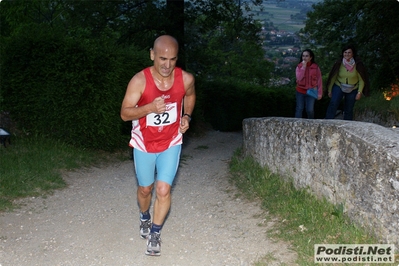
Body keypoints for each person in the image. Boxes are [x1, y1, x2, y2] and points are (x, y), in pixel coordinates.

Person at [120, 35, 196, 256]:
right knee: (146, 189)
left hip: (171, 141)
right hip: (144, 143)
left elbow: (190, 96)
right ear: (152, 54)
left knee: (163, 189)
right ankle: (144, 216)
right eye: (162, 58)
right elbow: (125, 113)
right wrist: (150, 108)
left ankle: (155, 232)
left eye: (172, 59)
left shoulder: (186, 79)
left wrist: (187, 117)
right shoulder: (139, 81)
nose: (167, 65)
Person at [325, 44, 370, 120]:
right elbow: (333, 77)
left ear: (353, 54)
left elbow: (361, 79)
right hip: (339, 85)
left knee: (349, 108)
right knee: (333, 103)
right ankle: (328, 121)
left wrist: (359, 92)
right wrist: (329, 90)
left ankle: (347, 124)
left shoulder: (358, 64)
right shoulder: (339, 63)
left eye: (349, 52)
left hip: (353, 87)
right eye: (345, 52)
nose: (347, 54)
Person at [295, 49, 323, 119]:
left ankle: (311, 123)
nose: (304, 58)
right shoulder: (299, 67)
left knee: (310, 110)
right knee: (299, 108)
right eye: (303, 56)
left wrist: (320, 93)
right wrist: (303, 67)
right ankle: (297, 124)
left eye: (307, 56)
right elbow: (299, 78)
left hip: (311, 91)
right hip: (300, 91)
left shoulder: (315, 67)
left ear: (311, 57)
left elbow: (319, 80)